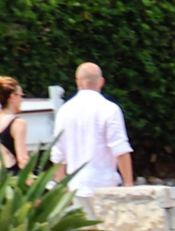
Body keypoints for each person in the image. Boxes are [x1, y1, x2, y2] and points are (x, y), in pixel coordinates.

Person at [51, 61, 133, 191]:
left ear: (78, 81)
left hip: (74, 186)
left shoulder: (64, 111)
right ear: (102, 81)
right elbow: (120, 148)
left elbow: (58, 153)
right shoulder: (110, 109)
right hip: (105, 185)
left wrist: (61, 186)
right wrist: (129, 184)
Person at [0, 75, 30, 172]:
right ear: (12, 97)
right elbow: (22, 158)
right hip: (13, 176)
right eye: (21, 95)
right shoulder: (18, 123)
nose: (22, 100)